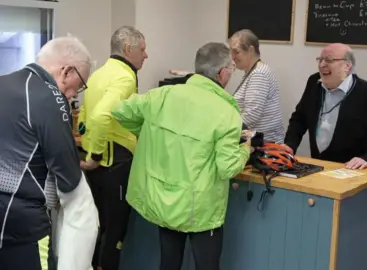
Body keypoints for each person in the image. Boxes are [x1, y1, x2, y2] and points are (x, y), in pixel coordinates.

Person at [111, 42, 253, 270]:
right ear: (222, 73)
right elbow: (228, 168)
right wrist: (246, 148)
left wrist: (148, 134)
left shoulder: (162, 95)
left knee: (169, 264)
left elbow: (120, 110)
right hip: (202, 209)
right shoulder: (226, 112)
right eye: (231, 70)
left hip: (166, 203)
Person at [0, 36, 98, 270]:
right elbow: (69, 180)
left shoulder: (4, 82)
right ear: (66, 71)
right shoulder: (51, 98)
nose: (75, 94)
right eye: (80, 85)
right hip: (23, 224)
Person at [77, 25, 148, 270]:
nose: (146, 55)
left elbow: (84, 120)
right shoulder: (125, 77)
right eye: (143, 49)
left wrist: (89, 152)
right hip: (113, 163)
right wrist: (96, 155)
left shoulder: (99, 74)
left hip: (97, 167)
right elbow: (98, 117)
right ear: (129, 49)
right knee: (115, 232)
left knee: (99, 226)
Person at [284, 43, 367, 169]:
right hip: (319, 167)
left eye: (329, 60)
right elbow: (299, 119)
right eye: (320, 59)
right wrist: (290, 145)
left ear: (347, 66)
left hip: (352, 171)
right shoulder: (314, 83)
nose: (322, 65)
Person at [229, 29, 285, 143]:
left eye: (237, 52)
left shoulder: (259, 74)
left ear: (250, 50)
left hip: (265, 145)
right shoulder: (252, 72)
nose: (233, 57)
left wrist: (226, 128)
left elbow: (251, 115)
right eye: (231, 52)